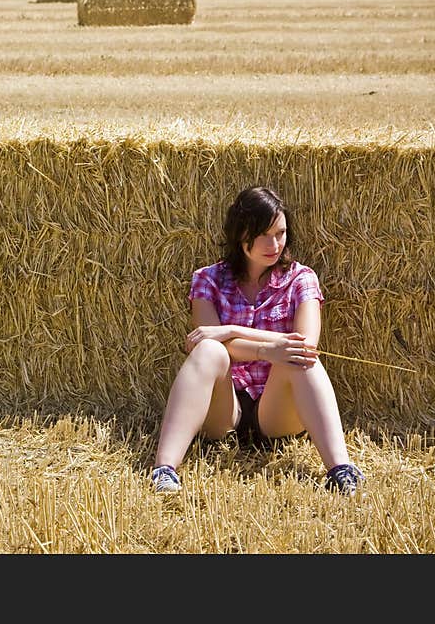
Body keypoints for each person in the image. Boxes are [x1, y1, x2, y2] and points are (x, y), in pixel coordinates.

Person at [151, 185, 365, 496]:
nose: (275, 244)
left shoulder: (301, 279)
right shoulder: (207, 280)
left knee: (298, 357)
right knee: (210, 350)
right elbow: (208, 343)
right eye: (264, 234)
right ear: (241, 235)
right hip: (225, 409)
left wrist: (231, 331)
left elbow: (304, 345)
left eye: (281, 233)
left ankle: (341, 469)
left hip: (277, 412)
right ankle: (164, 470)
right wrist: (266, 348)